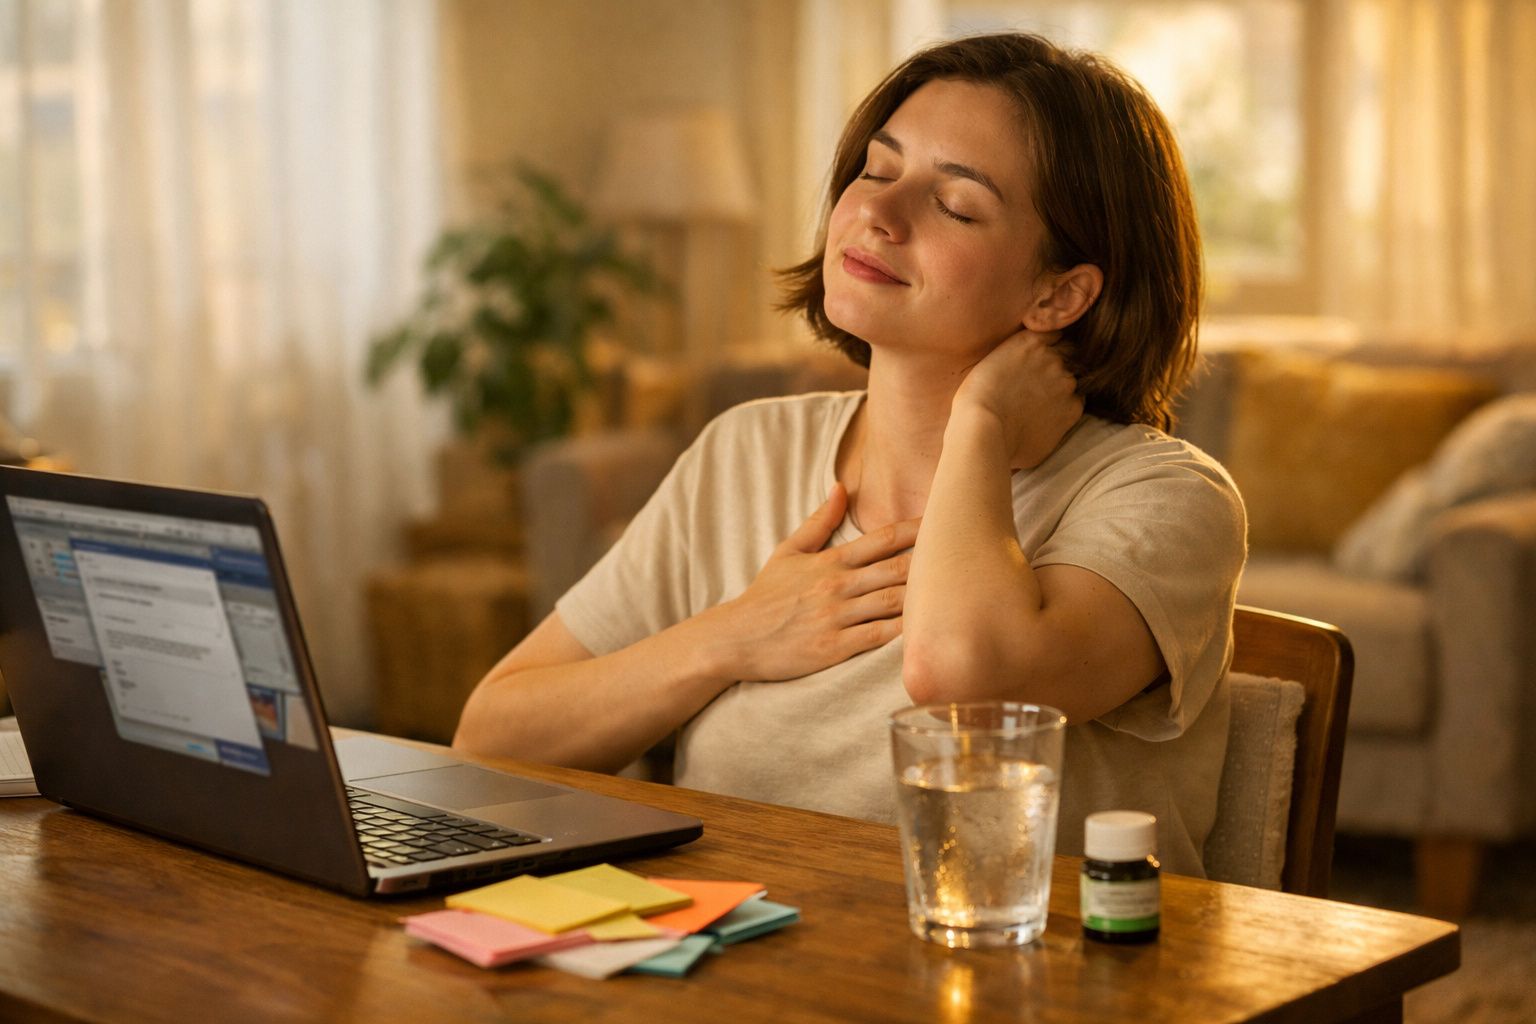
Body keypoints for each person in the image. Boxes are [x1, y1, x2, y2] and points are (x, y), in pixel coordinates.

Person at [453, 32, 1246, 876]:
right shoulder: (746, 451)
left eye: (956, 205)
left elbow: (960, 674)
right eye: (877, 169)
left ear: (1059, 294)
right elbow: (491, 740)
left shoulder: (1165, 496)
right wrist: (732, 637)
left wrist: (979, 424)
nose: (878, 212)